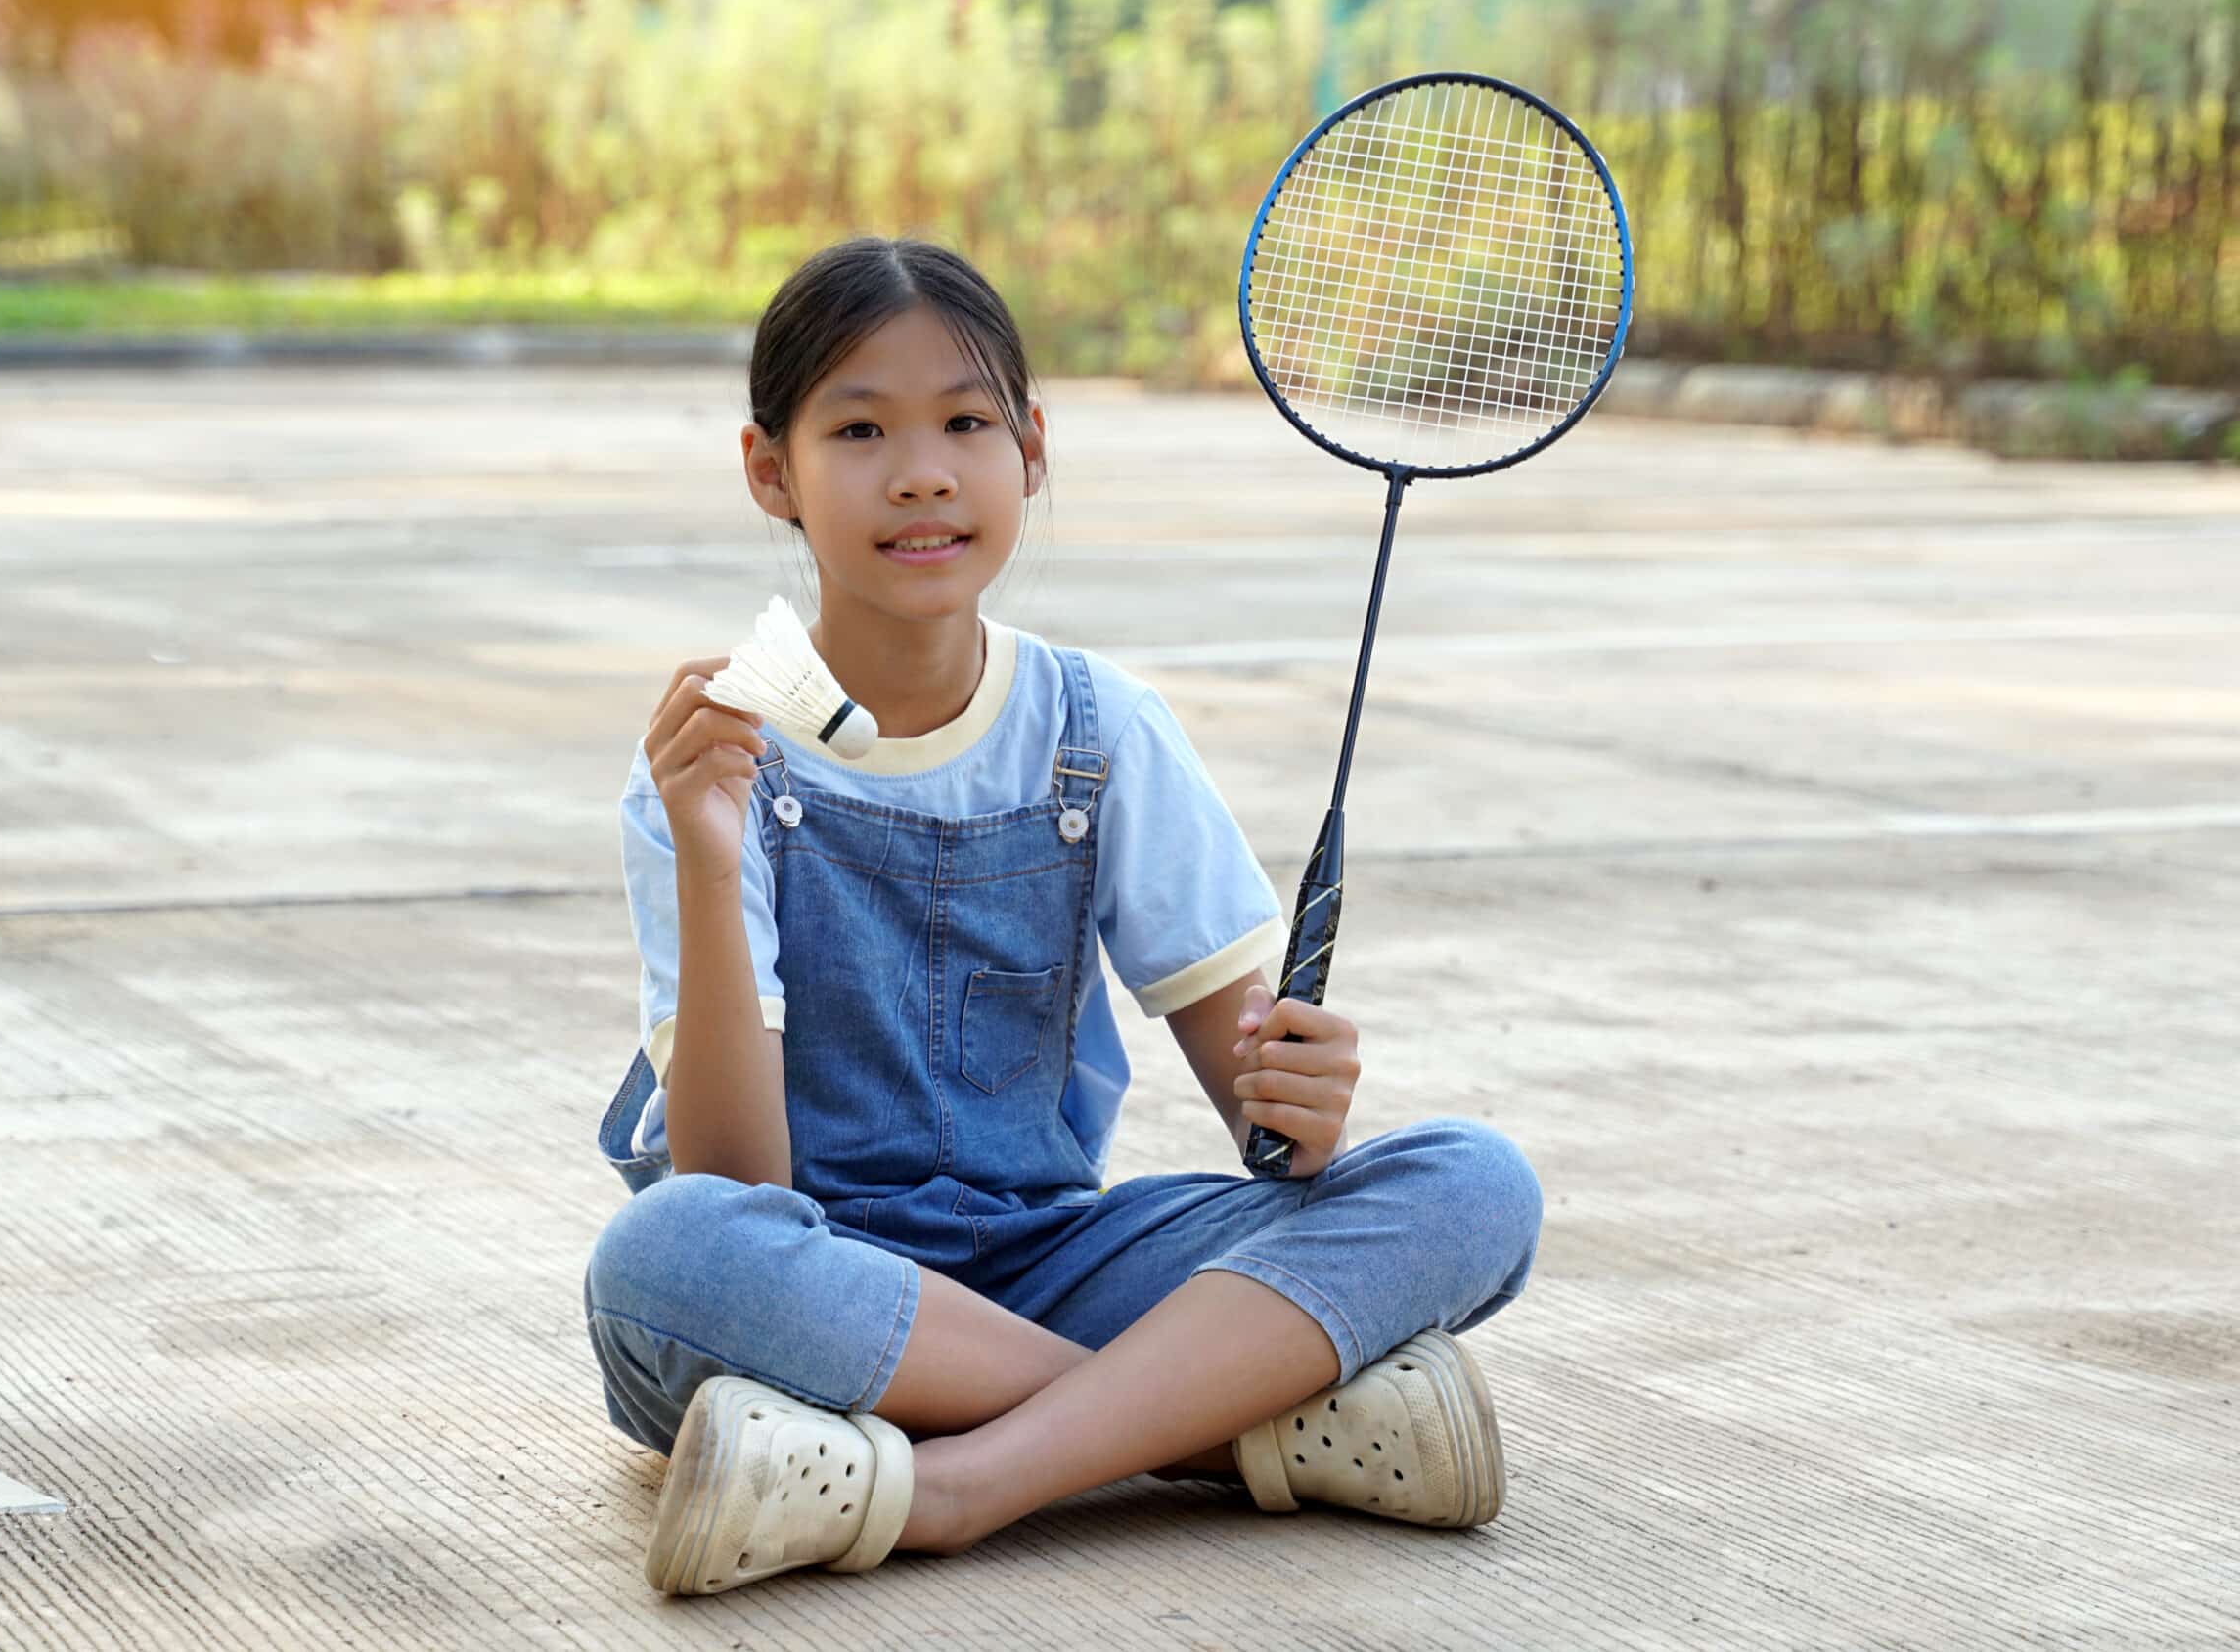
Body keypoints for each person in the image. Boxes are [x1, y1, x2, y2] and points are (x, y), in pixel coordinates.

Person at [586, 235, 1545, 1597]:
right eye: (859, 429)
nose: (922, 470)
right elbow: (737, 1187)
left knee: (1473, 1183)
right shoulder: (712, 752)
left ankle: (956, 1483)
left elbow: (1271, 1146)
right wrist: (705, 841)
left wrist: (1304, 1100)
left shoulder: (1101, 731)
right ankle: (1214, 1434)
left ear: (1030, 448)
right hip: (817, 1283)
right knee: (663, 1259)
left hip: (1046, 1261)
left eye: (966, 423)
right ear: (768, 470)